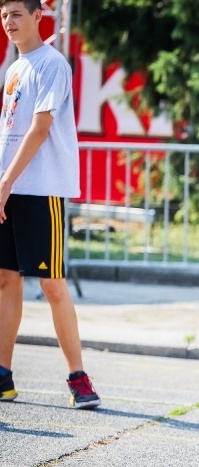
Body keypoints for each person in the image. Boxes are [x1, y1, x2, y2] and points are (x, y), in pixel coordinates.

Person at [0, 0, 100, 409]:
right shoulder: (14, 68)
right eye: (4, 15)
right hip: (8, 191)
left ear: (39, 16)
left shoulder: (52, 64)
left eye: (17, 14)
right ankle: (3, 375)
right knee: (6, 280)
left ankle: (78, 378)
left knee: (52, 284)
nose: (9, 22)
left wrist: (6, 182)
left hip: (40, 191)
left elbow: (41, 128)